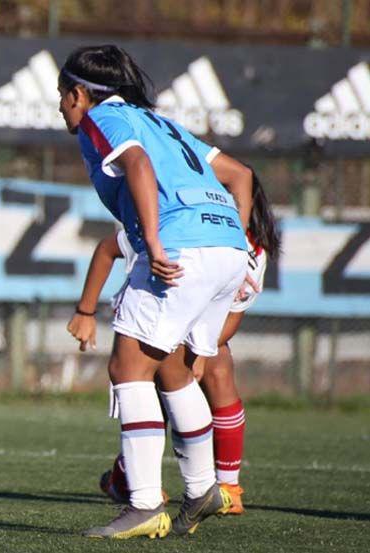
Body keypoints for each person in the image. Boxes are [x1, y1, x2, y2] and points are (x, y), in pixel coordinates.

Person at [58, 44, 254, 538]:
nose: (61, 106)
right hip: (226, 247)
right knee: (174, 367)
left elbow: (140, 167)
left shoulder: (100, 120)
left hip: (182, 246)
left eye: (63, 95)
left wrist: (157, 241)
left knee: (128, 367)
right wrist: (237, 241)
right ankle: (205, 488)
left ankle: (144, 503)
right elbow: (239, 174)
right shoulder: (161, 122)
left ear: (81, 94)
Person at [67, 170, 281, 516]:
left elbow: (232, 316)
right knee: (163, 377)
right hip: (161, 323)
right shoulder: (176, 225)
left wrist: (202, 350)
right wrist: (85, 311)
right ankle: (145, 479)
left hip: (194, 330)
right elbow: (108, 248)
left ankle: (221, 487)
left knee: (214, 365)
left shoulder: (247, 249)